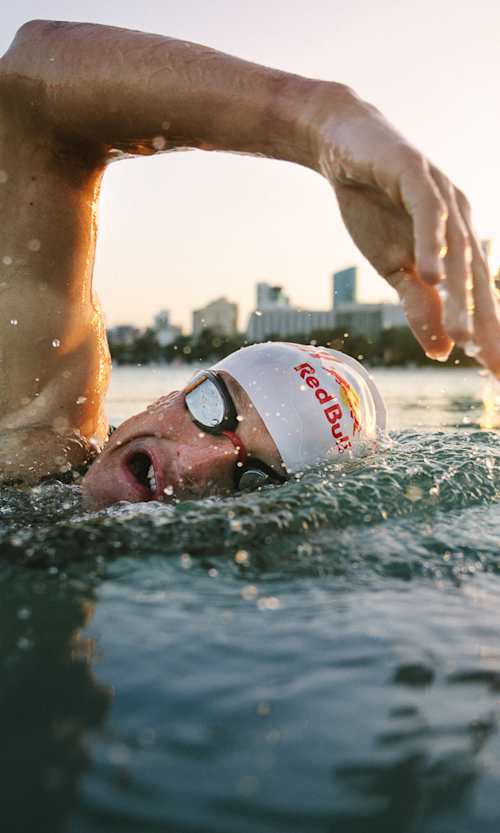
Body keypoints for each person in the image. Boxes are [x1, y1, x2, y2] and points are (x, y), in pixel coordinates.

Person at [0, 20, 498, 506]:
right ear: (181, 389)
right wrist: (321, 120)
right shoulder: (34, 433)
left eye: (253, 479)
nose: (197, 464)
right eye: (213, 406)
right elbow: (29, 87)